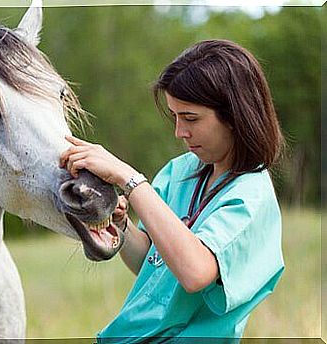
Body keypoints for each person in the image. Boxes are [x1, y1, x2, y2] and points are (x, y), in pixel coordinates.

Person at [59, 39, 285, 343]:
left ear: (234, 116)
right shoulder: (180, 171)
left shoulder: (250, 196)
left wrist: (129, 179)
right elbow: (152, 265)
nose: (180, 132)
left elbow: (194, 273)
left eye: (190, 118)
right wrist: (121, 226)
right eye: (175, 116)